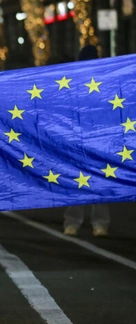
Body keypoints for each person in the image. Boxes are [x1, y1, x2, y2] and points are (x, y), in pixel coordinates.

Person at [63, 44, 110, 237]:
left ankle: (72, 224)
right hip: (98, 138)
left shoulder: (72, 81)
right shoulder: (103, 80)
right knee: (99, 180)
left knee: (77, 180)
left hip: (80, 137)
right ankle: (99, 224)